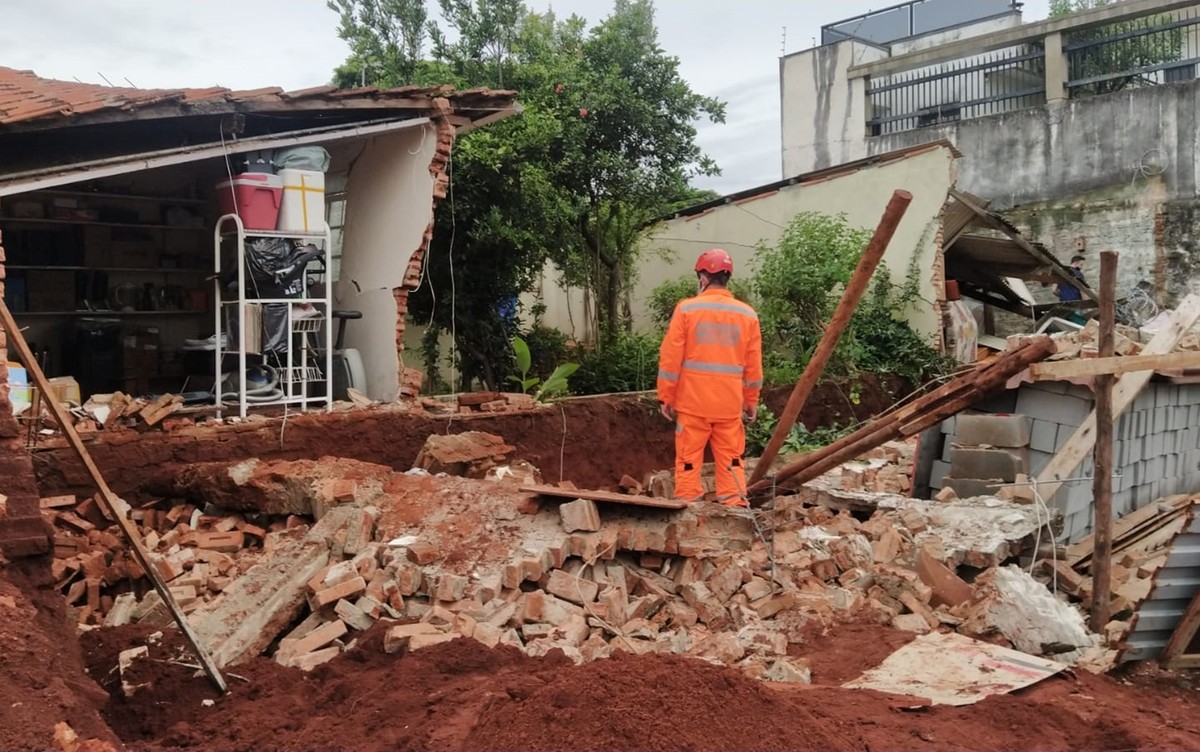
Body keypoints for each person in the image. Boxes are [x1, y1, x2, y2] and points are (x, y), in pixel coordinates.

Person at [656, 249, 763, 507]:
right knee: (731, 461)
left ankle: (689, 511)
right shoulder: (748, 315)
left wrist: (665, 397)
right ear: (727, 277)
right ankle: (734, 507)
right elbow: (753, 367)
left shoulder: (687, 310)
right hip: (728, 406)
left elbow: (670, 359)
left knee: (689, 460)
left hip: (693, 405)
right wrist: (751, 401)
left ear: (703, 277)